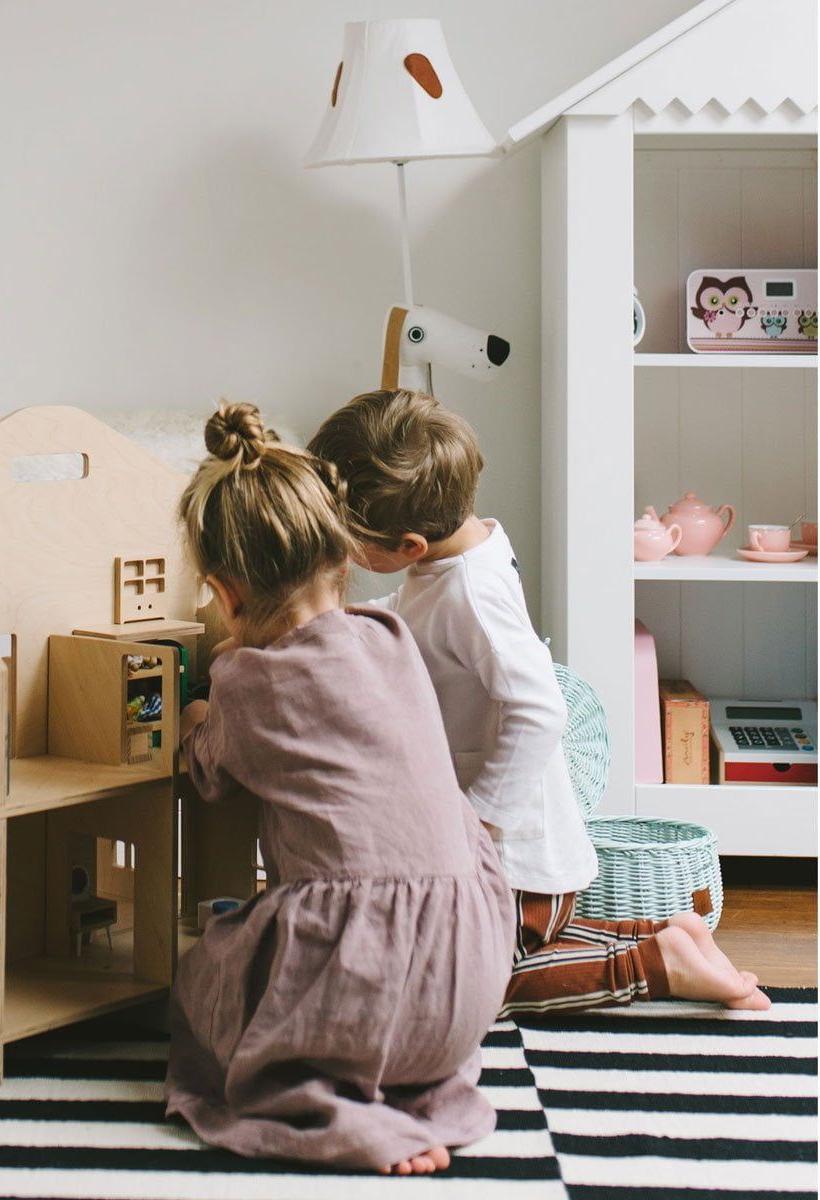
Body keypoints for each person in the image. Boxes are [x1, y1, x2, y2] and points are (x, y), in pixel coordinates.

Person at [309, 388, 769, 1015]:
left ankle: (653, 965)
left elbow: (540, 708)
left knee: (466, 984)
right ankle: (665, 935)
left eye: (350, 542)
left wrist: (481, 819)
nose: (344, 553)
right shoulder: (462, 556)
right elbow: (416, 617)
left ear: (411, 546)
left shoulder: (471, 592)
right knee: (508, 951)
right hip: (509, 866)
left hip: (513, 860)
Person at [165, 402, 514, 1175]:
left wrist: (194, 709)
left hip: (365, 984)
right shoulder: (390, 640)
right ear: (344, 560)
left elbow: (208, 770)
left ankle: (334, 1113)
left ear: (224, 596)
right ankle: (414, 1087)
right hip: (469, 975)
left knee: (204, 974)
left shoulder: (248, 678)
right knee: (315, 935)